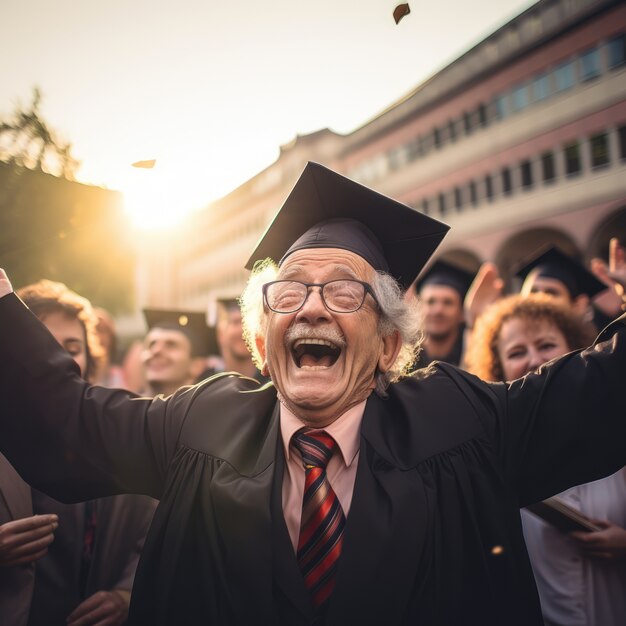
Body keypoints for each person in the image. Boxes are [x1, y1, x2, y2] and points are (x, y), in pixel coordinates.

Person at [0, 162, 624, 626]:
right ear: (263, 339)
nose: (313, 309)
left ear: (385, 345)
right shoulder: (202, 422)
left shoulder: (458, 421)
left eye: (345, 292)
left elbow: (603, 392)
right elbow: (68, 423)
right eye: (291, 291)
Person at [0, 280, 157, 626]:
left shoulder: (110, 437)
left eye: (71, 347)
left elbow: (154, 530)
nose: (51, 359)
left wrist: (127, 594)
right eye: (40, 343)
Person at [465, 293, 626, 626]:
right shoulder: (487, 461)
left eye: (547, 345)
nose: (534, 360)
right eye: (516, 352)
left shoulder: (617, 434)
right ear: (497, 367)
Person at [412, 259, 474, 368]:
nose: (438, 310)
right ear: (419, 309)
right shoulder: (404, 363)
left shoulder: (473, 359)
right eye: (431, 302)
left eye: (448, 303)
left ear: (462, 313)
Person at [141, 308, 216, 396]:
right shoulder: (126, 408)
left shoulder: (210, 408)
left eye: (170, 345)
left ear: (196, 366)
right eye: (151, 344)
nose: (156, 351)